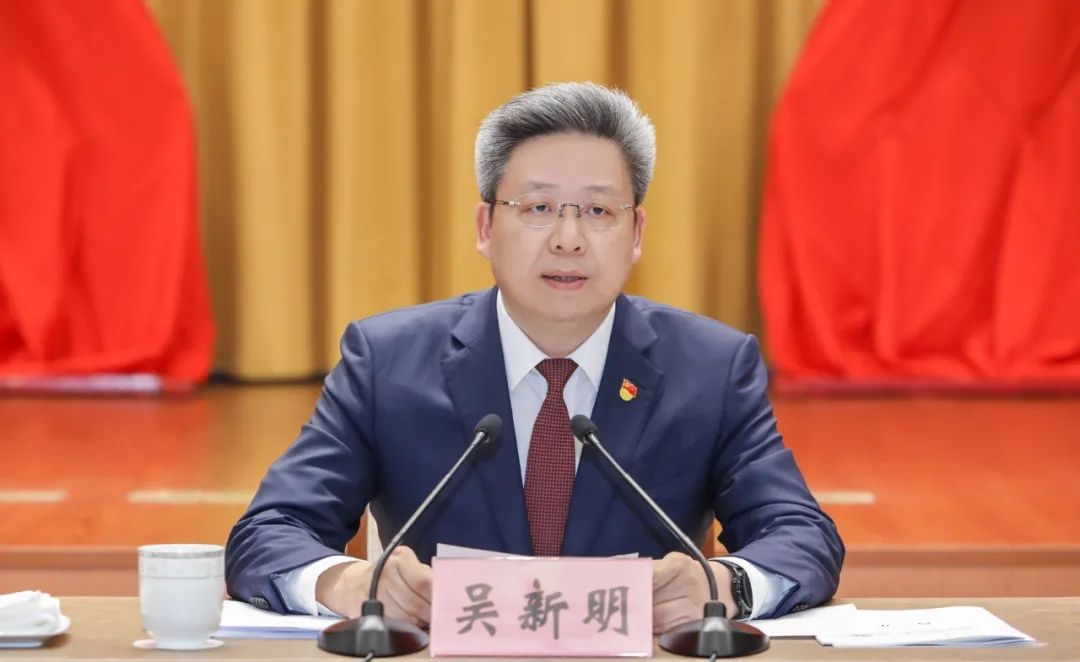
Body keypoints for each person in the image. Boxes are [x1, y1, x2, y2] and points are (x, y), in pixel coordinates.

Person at [225, 82, 844, 633]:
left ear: (635, 234)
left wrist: (727, 586)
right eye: (538, 208)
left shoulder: (710, 369)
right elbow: (268, 531)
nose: (568, 239)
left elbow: (801, 534)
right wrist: (345, 583)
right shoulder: (386, 363)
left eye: (598, 211)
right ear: (485, 227)